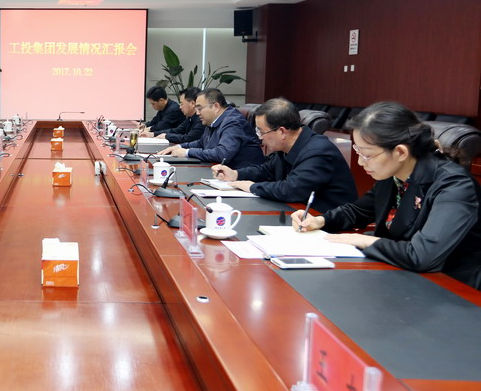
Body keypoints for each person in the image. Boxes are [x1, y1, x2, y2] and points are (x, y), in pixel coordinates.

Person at [293, 102, 481, 289]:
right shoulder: (395, 174)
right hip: (400, 275)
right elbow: (357, 211)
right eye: (358, 151)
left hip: (452, 288)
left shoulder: (455, 186)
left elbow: (421, 256)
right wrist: (320, 221)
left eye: (366, 154)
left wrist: (365, 240)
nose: (360, 162)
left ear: (400, 152)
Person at [211, 98, 357, 212]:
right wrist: (235, 174)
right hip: (299, 214)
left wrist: (252, 187)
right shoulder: (287, 146)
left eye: (261, 131)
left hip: (326, 223)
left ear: (282, 131)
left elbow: (291, 190)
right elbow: (266, 170)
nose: (260, 137)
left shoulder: (318, 151)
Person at [158, 88, 264, 169]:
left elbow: (222, 154)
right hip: (222, 173)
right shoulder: (212, 121)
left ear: (215, 106)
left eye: (200, 108)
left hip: (243, 177)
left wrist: (187, 152)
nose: (197, 113)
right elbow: (201, 143)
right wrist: (178, 147)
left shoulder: (233, 122)